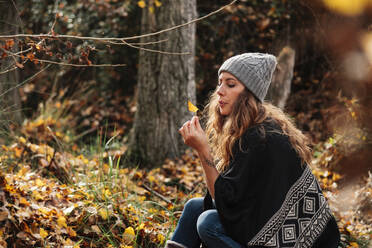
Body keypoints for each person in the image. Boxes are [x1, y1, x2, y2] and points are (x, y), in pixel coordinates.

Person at [165, 53, 340, 248]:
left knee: (208, 224)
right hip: (263, 218)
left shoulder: (261, 136)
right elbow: (238, 198)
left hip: (296, 241)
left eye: (230, 84)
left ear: (249, 93)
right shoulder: (249, 127)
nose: (220, 91)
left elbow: (225, 200)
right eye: (220, 83)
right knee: (194, 207)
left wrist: (203, 150)